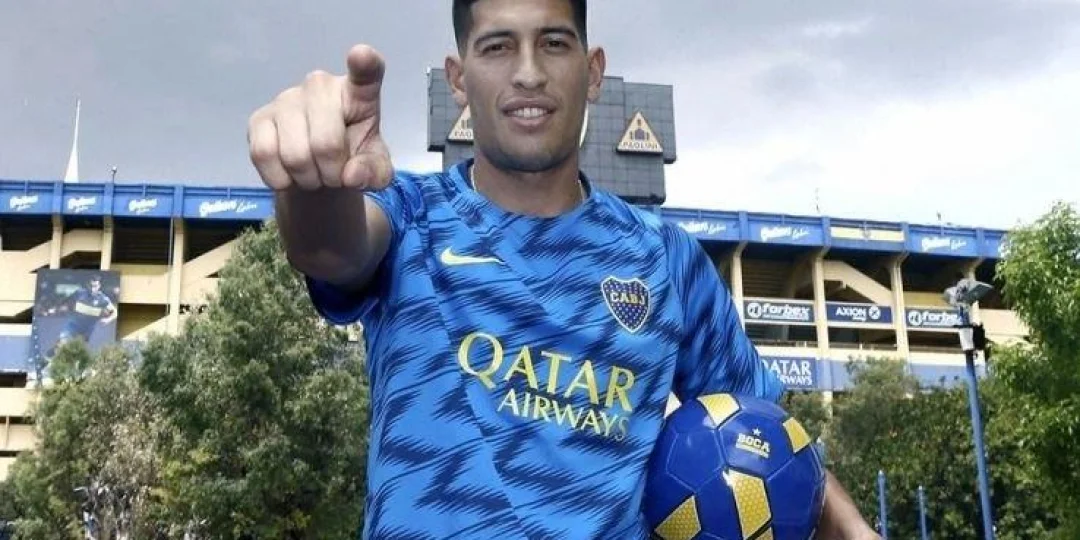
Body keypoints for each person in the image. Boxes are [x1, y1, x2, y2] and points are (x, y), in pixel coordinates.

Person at [247, 0, 879, 538]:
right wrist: (313, 179)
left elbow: (771, 437)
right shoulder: (412, 213)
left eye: (553, 43)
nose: (528, 73)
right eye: (497, 47)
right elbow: (329, 249)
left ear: (592, 70)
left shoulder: (666, 258)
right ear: (459, 78)